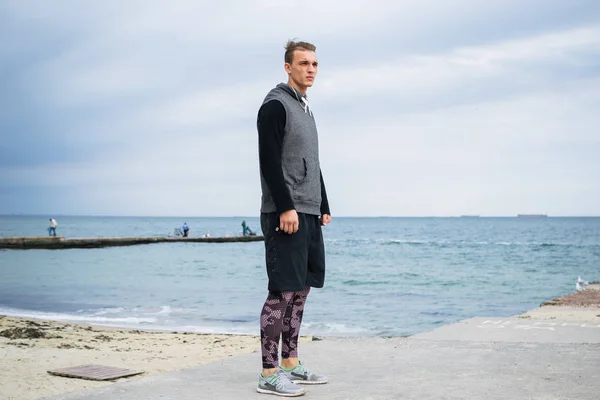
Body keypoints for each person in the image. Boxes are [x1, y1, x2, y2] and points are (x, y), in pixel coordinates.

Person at [255, 39, 332, 397]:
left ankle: (290, 362)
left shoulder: (306, 109)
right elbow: (269, 161)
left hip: (309, 211)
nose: (310, 69)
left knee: (300, 291)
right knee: (281, 293)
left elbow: (311, 162)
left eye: (314, 63)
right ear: (288, 67)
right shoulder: (275, 106)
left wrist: (324, 204)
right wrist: (285, 206)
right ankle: (269, 373)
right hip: (285, 212)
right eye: (303, 63)